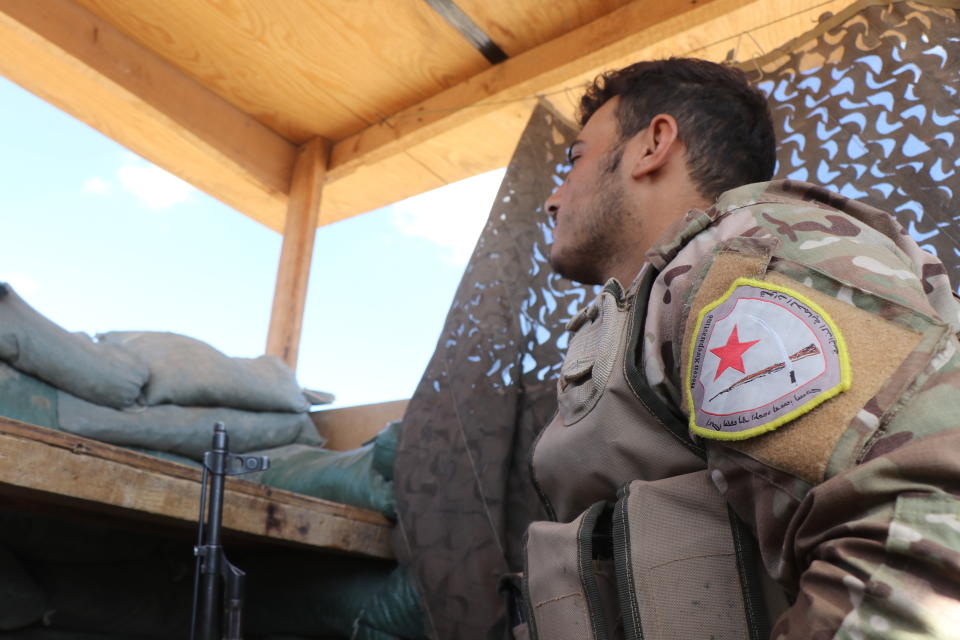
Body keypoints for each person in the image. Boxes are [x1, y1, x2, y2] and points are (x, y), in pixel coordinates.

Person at [522, 58, 960, 639]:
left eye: (574, 161)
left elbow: (922, 534)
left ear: (654, 143)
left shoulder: (745, 260)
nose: (553, 200)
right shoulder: (666, 303)